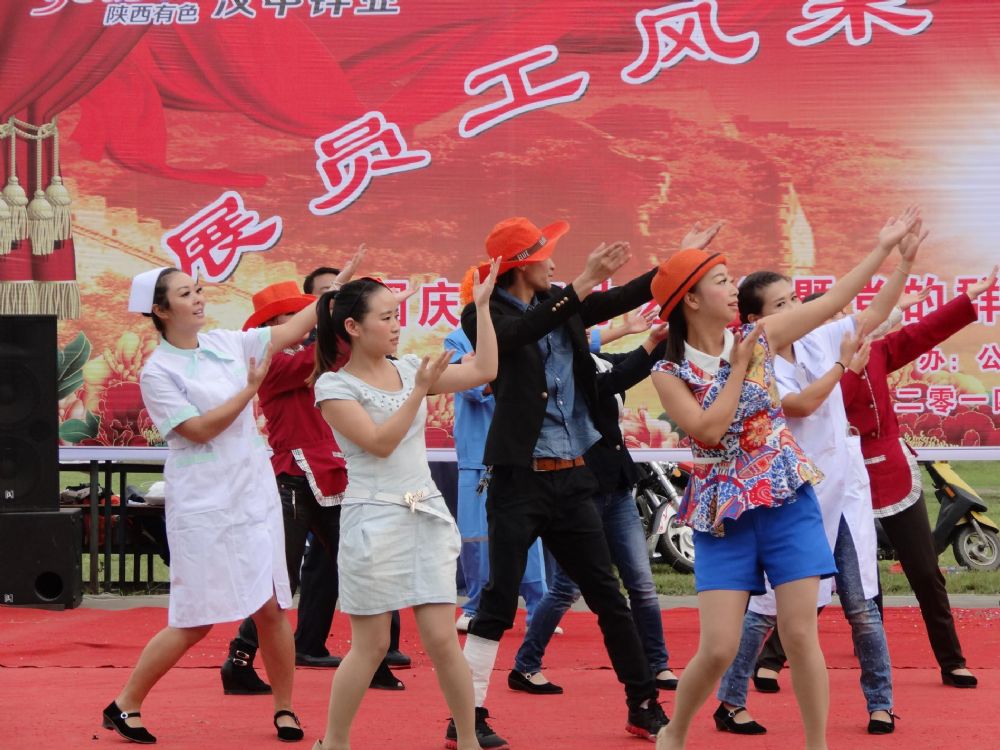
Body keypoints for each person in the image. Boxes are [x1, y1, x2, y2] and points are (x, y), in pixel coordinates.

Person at [650, 208, 920, 750]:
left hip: (785, 495)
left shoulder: (760, 335)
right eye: (721, 281)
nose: (733, 288)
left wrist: (885, 249)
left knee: (800, 633)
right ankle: (674, 732)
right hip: (723, 513)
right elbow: (708, 429)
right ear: (692, 300)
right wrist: (738, 367)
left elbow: (835, 300)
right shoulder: (669, 372)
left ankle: (816, 744)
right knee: (719, 647)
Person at [457, 216, 719, 746]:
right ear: (521, 265)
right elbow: (515, 336)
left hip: (574, 478)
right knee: (497, 601)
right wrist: (580, 285)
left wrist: (676, 262)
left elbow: (625, 296)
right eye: (546, 254)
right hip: (518, 482)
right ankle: (467, 716)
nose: (555, 262)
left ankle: (642, 706)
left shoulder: (562, 303)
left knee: (609, 597)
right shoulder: (483, 312)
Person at [103, 265, 322, 744]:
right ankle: (124, 704)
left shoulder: (225, 343)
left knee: (270, 606)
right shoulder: (157, 371)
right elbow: (199, 430)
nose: (198, 298)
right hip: (203, 500)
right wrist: (249, 390)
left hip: (251, 492)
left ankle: (285, 709)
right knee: (196, 620)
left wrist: (333, 293)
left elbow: (290, 331)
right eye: (186, 293)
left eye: (198, 289)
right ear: (160, 310)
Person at [311, 261, 501, 750]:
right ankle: (334, 742)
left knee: (442, 639)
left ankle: (467, 740)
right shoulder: (334, 386)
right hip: (373, 520)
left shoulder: (409, 368)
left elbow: (485, 369)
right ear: (353, 327)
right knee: (372, 645)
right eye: (386, 317)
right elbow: (379, 443)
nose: (397, 326)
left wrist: (481, 308)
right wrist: (419, 390)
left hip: (425, 514)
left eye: (397, 316)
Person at [840, 263, 998, 691]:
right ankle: (772, 657)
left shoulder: (879, 351)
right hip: (844, 478)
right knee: (840, 577)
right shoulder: (815, 371)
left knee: (926, 573)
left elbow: (925, 332)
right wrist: (847, 368)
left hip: (894, 472)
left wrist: (970, 297)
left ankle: (952, 661)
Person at [510, 319, 680, 695]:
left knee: (642, 584)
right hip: (578, 492)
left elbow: (632, 363)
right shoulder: (557, 376)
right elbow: (614, 380)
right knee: (566, 587)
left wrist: (665, 337)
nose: (584, 332)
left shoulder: (596, 360)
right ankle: (525, 665)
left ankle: (658, 664)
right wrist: (650, 342)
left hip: (617, 487)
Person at [446, 268, 550, 638]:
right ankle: (475, 605)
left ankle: (539, 608)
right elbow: (475, 386)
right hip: (477, 454)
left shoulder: (524, 330)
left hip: (520, 450)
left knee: (527, 534)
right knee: (476, 536)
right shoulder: (457, 338)